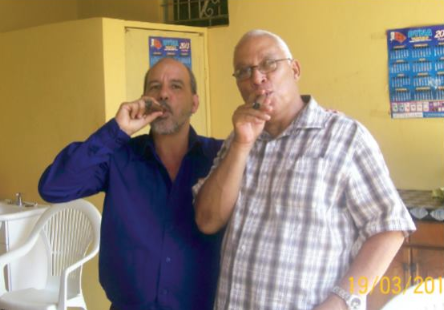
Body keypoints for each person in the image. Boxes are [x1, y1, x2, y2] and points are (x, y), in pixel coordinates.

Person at [193, 30, 416, 310]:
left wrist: (342, 301)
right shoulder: (236, 141)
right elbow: (208, 221)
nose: (256, 78)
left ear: (295, 69)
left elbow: (390, 228)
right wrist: (241, 144)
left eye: (268, 64)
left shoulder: (345, 137)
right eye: (243, 71)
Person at [39, 57, 223, 310]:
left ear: (195, 102)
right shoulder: (119, 156)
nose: (164, 94)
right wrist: (118, 129)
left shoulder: (219, 158)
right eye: (154, 87)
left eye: (176, 86)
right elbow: (54, 187)